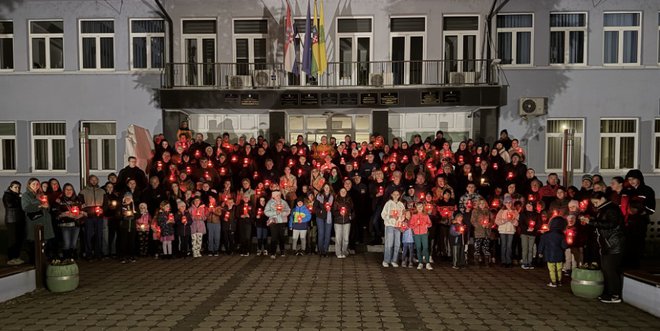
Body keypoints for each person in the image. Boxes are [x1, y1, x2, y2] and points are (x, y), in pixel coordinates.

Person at [584, 192, 626, 304]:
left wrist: (592, 222)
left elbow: (610, 224)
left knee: (610, 270)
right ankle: (608, 292)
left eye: (596, 202)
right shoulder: (604, 209)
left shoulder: (611, 209)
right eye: (593, 203)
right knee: (606, 270)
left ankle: (615, 295)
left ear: (602, 198)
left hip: (613, 244)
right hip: (606, 244)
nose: (595, 205)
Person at [21, 178, 56, 262]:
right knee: (35, 242)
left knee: (45, 242)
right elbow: (26, 207)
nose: (36, 186)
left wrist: (47, 206)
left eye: (37, 184)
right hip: (35, 222)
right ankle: (35, 262)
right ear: (29, 185)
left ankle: (43, 260)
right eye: (33, 184)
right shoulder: (26, 195)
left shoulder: (41, 194)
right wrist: (39, 206)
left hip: (45, 222)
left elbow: (47, 208)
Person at [55, 183, 85, 261]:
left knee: (74, 243)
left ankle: (72, 258)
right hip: (65, 224)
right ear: (64, 191)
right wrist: (66, 214)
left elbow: (83, 211)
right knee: (67, 243)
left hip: (76, 224)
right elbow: (56, 212)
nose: (69, 191)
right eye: (67, 189)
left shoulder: (78, 199)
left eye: (70, 189)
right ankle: (66, 258)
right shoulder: (60, 200)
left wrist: (80, 215)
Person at [79, 175, 106, 260]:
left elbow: (105, 204)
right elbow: (81, 204)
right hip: (89, 217)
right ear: (89, 181)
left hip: (99, 216)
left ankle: (98, 253)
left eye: (95, 180)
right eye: (92, 180)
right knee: (88, 235)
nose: (94, 181)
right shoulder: (83, 191)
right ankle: (88, 254)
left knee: (99, 235)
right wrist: (85, 211)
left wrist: (102, 210)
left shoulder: (102, 191)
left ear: (98, 181)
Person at [538, 217, 568, 287]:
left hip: (549, 254)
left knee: (552, 269)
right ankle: (559, 281)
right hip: (559, 255)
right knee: (559, 269)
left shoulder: (546, 234)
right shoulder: (562, 235)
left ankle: (554, 282)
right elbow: (564, 246)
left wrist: (540, 252)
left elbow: (542, 244)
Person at [380, 190, 405, 267]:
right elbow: (383, 214)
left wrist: (399, 218)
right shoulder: (388, 203)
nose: (396, 196)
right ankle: (386, 260)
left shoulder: (401, 205)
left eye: (397, 194)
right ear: (391, 195)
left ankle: (394, 260)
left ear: (399, 195)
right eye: (394, 194)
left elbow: (404, 215)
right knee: (389, 243)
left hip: (397, 225)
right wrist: (390, 216)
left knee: (397, 243)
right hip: (390, 225)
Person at [4, 181, 26, 265]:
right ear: (10, 187)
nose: (18, 189)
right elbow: (10, 205)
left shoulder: (17, 195)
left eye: (19, 187)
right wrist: (19, 198)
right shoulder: (7, 195)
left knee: (19, 240)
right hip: (12, 221)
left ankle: (16, 257)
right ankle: (11, 258)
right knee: (12, 240)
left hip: (19, 220)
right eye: (15, 187)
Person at [264, 190, 290, 259]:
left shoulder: (283, 202)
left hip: (282, 222)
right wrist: (275, 213)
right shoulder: (270, 203)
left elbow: (288, 210)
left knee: (282, 237)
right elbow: (266, 212)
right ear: (273, 196)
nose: (278, 196)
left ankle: (282, 251)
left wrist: (282, 213)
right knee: (274, 237)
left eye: (279, 195)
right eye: (277, 195)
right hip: (273, 222)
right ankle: (273, 253)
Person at [495, 195, 519, 267]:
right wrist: (504, 220)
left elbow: (517, 222)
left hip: (511, 230)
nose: (508, 204)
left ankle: (508, 261)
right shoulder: (501, 211)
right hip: (502, 230)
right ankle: (503, 261)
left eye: (510, 202)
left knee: (509, 246)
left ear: (512, 203)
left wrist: (512, 220)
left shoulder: (515, 211)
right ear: (504, 203)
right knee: (503, 246)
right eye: (507, 202)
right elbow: (497, 221)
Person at [410, 202, 433, 270]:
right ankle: (420, 262)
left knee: (425, 247)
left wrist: (426, 225)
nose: (420, 208)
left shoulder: (426, 215)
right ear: (416, 208)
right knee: (418, 248)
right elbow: (410, 225)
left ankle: (427, 263)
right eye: (418, 207)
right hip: (417, 234)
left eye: (421, 207)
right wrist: (415, 225)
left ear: (423, 207)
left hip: (424, 234)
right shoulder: (414, 216)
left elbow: (430, 224)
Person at [315, 184, 334, 257]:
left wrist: (330, 209)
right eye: (325, 187)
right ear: (323, 188)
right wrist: (320, 211)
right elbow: (315, 207)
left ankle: (325, 250)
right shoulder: (319, 196)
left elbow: (335, 207)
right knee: (321, 233)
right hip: (320, 217)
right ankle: (321, 250)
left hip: (328, 217)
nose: (326, 189)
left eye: (327, 187)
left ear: (330, 188)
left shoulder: (332, 197)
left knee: (327, 234)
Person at [118, 192, 137, 263]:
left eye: (129, 198)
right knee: (123, 241)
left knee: (132, 242)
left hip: (132, 226)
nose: (128, 199)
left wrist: (134, 215)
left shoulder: (134, 205)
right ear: (124, 198)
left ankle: (131, 256)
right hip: (124, 226)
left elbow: (138, 214)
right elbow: (117, 215)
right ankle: (122, 256)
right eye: (127, 198)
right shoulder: (121, 206)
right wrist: (123, 216)